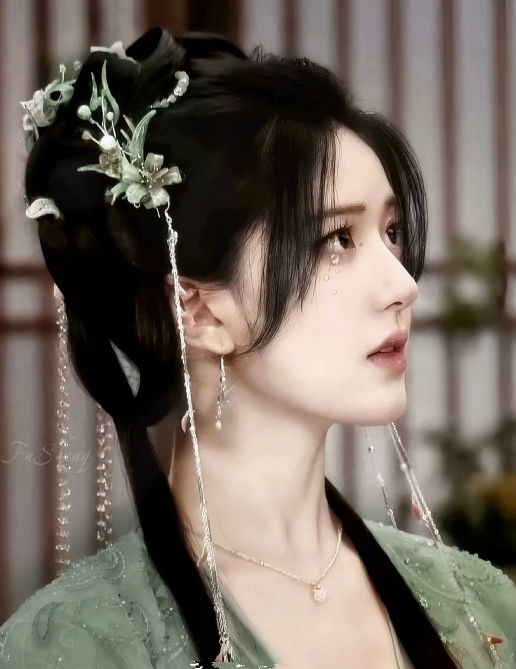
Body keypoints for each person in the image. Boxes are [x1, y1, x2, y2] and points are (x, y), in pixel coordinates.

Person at [0, 26, 515, 669]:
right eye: (337, 239)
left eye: (391, 231)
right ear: (198, 308)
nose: (403, 285)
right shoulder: (77, 647)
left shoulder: (483, 608)